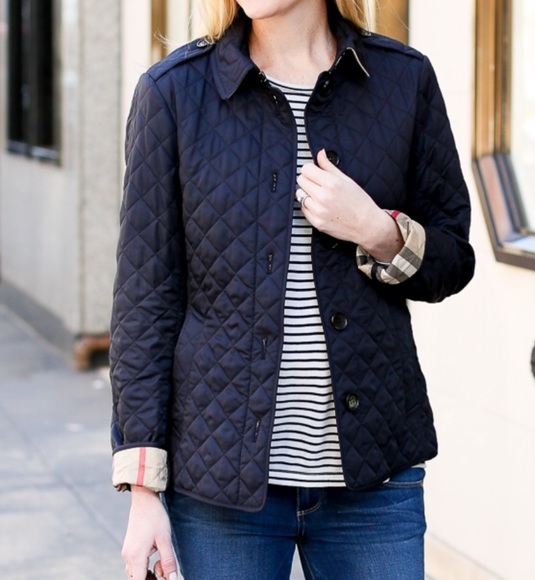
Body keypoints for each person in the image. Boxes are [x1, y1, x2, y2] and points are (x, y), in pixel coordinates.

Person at [109, 0, 475, 578]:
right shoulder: (174, 92)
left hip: (374, 478)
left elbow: (453, 260)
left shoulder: (403, 80)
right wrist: (143, 490)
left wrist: (378, 231)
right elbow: (144, 301)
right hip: (221, 488)